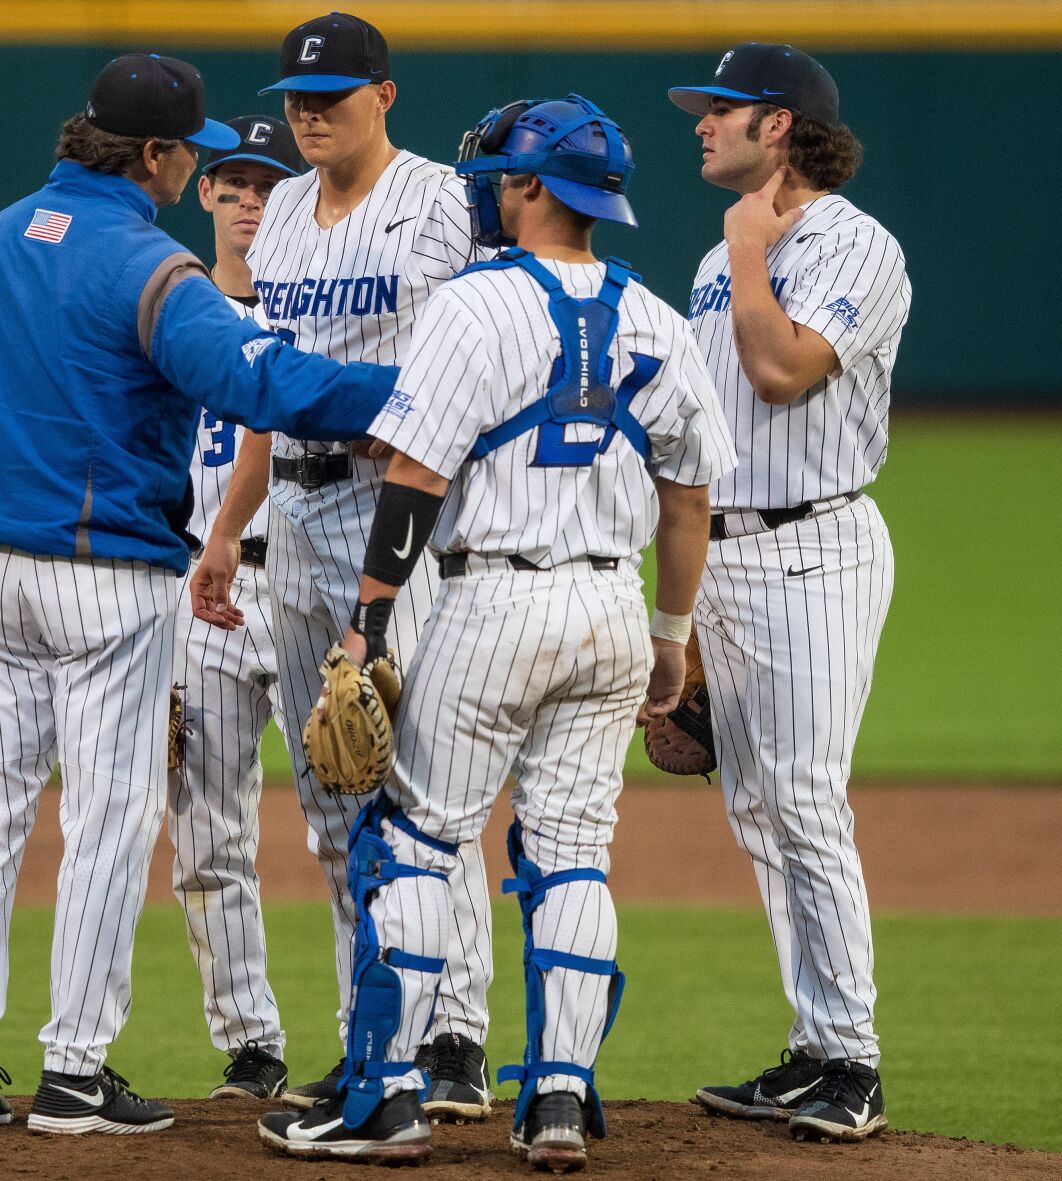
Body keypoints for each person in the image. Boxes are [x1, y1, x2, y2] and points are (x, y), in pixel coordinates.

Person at [0, 52, 397, 1137]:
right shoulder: (147, 264)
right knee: (109, 816)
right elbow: (260, 383)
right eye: (191, 152)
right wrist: (412, 388)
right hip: (105, 578)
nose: (200, 169)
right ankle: (74, 1071)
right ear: (152, 154)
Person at [260, 94, 735, 1168]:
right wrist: (669, 635)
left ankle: (384, 1096)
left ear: (530, 187)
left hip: (493, 605)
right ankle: (558, 1097)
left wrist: (366, 623)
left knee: (416, 837)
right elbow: (688, 496)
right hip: (613, 611)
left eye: (501, 178)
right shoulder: (653, 316)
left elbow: (417, 473)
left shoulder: (473, 306)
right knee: (571, 852)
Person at [189, 10, 494, 1119]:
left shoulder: (431, 204)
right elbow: (268, 393)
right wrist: (227, 527)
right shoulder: (276, 223)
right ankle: (375, 1031)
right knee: (332, 793)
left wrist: (383, 417)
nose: (309, 112)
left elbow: (439, 374)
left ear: (385, 94)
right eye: (296, 99)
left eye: (332, 94)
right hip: (298, 515)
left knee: (418, 785)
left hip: (395, 512)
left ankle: (452, 1032)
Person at [668, 43, 910, 1144]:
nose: (697, 126)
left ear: (778, 126)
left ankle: (852, 1062)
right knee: (758, 810)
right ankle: (812, 1044)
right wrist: (685, 619)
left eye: (716, 111)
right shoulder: (725, 258)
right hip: (724, 552)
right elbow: (701, 432)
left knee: (804, 799)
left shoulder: (852, 243)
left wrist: (747, 246)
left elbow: (782, 371)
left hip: (813, 548)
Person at [170, 113, 305, 1101]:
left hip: (302, 579)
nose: (250, 200)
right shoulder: (168, 310)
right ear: (204, 193)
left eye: (267, 183)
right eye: (233, 182)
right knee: (205, 831)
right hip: (195, 593)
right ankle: (251, 1044)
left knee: (355, 816)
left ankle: (395, 1037)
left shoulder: (322, 306)